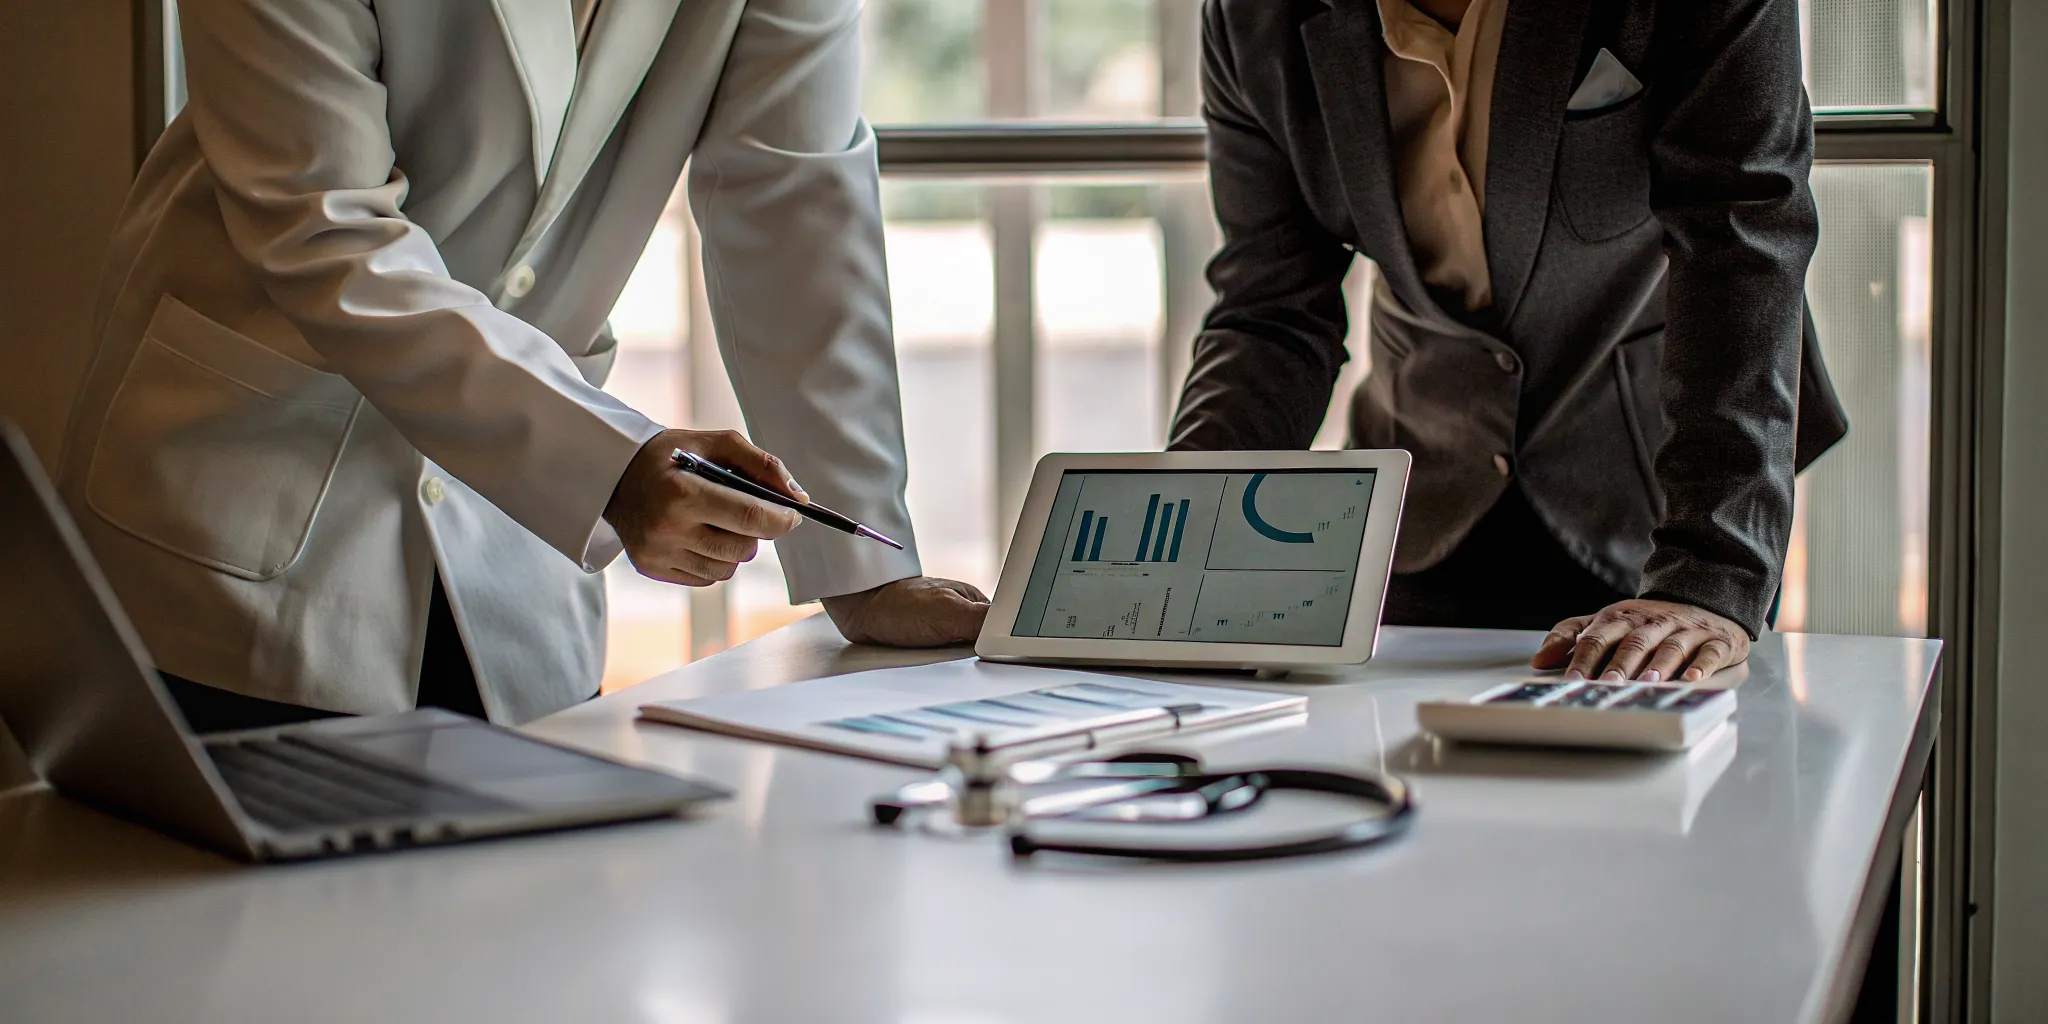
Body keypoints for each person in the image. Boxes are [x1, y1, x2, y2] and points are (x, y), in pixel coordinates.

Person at [57, 0, 988, 732]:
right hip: (243, 521)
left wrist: (859, 561)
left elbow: (795, 203)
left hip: (512, 563)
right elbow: (321, 224)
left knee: (537, 952)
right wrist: (605, 465)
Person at [1169, 0, 1847, 682]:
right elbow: (1270, 312)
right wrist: (1175, 544)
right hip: (1425, 492)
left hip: (1657, 492)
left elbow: (1741, 240)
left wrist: (1711, 572)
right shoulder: (1251, 18)